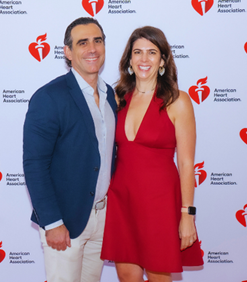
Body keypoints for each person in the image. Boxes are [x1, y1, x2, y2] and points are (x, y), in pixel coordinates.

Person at [99, 26, 202, 282]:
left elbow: (187, 163)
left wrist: (187, 215)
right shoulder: (117, 99)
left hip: (160, 204)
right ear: (129, 60)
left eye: (152, 52)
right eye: (138, 52)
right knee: (127, 275)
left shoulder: (178, 101)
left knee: (158, 276)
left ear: (163, 60)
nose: (144, 59)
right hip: (122, 201)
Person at [22, 17, 116, 282]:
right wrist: (51, 222)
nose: (92, 49)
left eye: (98, 41)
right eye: (82, 42)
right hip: (65, 221)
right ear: (67, 51)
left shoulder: (110, 95)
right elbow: (35, 164)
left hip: (102, 217)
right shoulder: (49, 97)